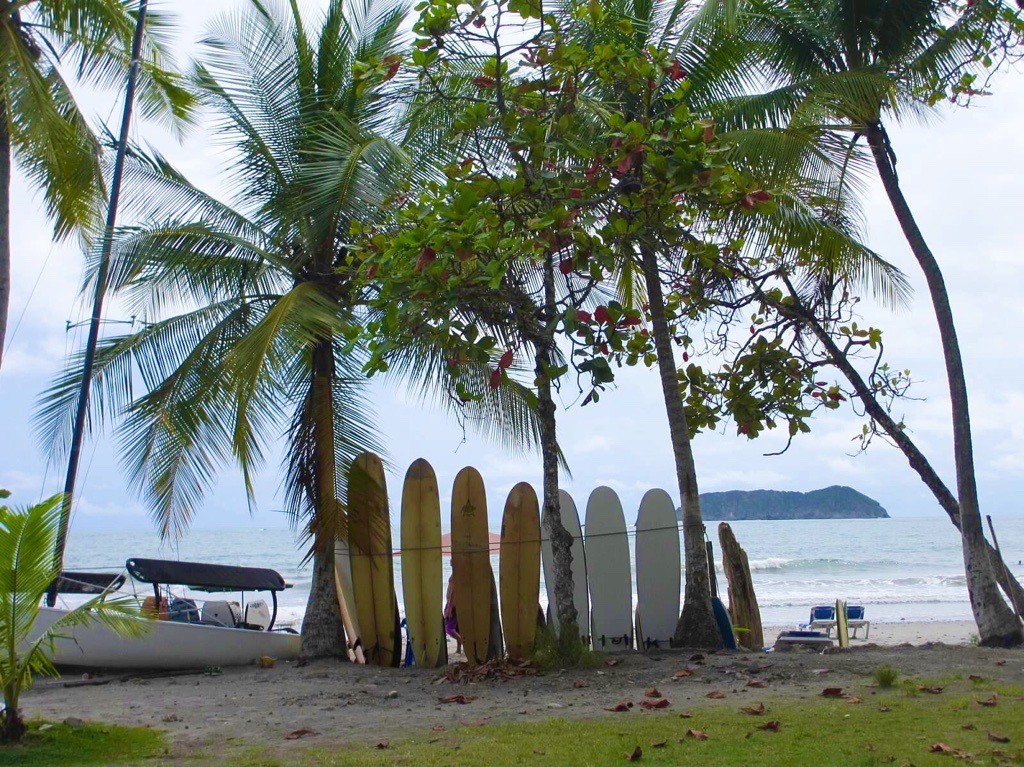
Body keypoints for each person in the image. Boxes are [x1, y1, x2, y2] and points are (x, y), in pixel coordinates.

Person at [444, 575, 462, 654]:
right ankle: (458, 649)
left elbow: (453, 591)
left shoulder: (456, 574)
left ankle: (463, 643)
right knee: (457, 628)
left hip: (453, 606)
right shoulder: (457, 571)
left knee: (449, 628)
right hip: (455, 605)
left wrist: (449, 608)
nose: (450, 561)